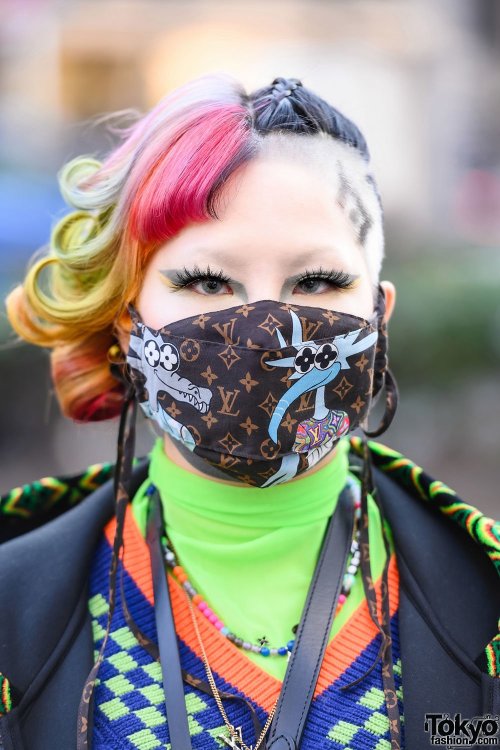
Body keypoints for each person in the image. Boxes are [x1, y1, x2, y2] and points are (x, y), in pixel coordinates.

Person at [0, 74, 498, 750]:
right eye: (207, 281)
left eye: (317, 281)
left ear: (378, 318)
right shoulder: (12, 614)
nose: (265, 333)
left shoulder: (485, 603)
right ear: (126, 322)